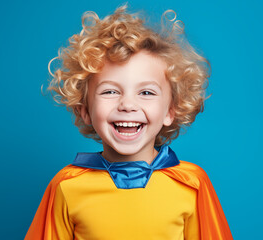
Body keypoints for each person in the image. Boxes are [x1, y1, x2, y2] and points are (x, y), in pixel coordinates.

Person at [25, 4, 233, 240]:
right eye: (110, 92)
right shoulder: (66, 186)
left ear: (170, 111)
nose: (127, 105)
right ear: (85, 110)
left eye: (146, 93)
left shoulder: (191, 183)